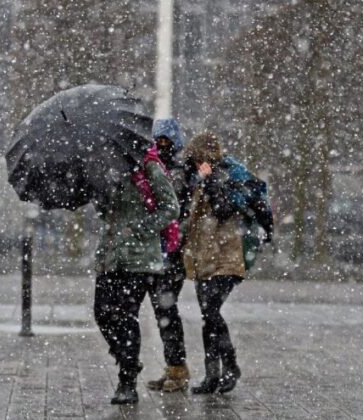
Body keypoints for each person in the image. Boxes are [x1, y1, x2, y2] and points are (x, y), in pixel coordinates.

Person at [93, 143, 179, 405]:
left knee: (125, 316)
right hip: (110, 256)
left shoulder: (149, 167)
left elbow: (170, 207)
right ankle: (126, 358)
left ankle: (127, 380)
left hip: (139, 259)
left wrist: (142, 228)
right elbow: (106, 213)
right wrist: (101, 196)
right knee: (102, 312)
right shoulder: (107, 169)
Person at [182, 131, 249, 394]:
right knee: (208, 317)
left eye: (198, 158)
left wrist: (210, 182)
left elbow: (223, 210)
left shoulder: (225, 177)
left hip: (225, 259)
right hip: (204, 259)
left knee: (211, 313)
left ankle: (231, 366)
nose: (196, 163)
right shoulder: (199, 179)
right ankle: (212, 375)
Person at [144, 118, 197, 392]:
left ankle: (177, 369)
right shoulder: (158, 166)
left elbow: (179, 206)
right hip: (159, 250)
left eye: (166, 140)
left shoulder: (181, 169)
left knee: (166, 309)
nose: (161, 145)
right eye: (158, 140)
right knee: (161, 310)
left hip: (172, 251)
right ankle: (174, 366)